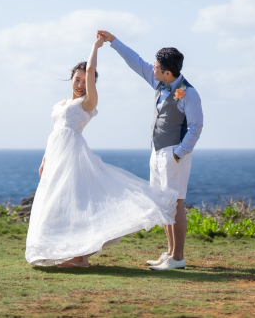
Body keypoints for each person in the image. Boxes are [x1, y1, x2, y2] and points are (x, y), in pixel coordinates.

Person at [25, 34, 179, 268]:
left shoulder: (88, 102)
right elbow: (55, 132)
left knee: (76, 201)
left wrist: (96, 47)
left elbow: (90, 73)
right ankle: (76, 256)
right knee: (57, 202)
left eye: (84, 81)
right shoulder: (61, 104)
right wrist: (45, 158)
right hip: (56, 156)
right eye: (76, 79)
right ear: (70, 79)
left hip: (73, 156)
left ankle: (80, 258)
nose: (79, 84)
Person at [97, 30, 203, 271]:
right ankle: (170, 253)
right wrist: (113, 41)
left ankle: (178, 258)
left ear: (168, 72)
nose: (152, 68)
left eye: (156, 67)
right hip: (157, 152)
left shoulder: (188, 92)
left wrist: (180, 152)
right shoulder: (159, 81)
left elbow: (196, 126)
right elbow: (135, 61)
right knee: (163, 204)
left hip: (173, 154)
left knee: (175, 203)